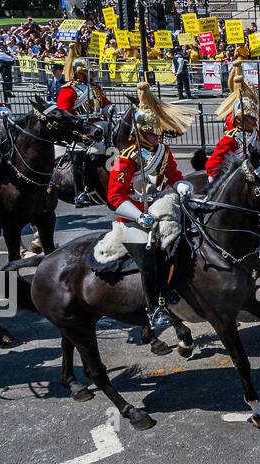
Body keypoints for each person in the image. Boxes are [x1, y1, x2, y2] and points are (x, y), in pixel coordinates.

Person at [107, 82, 193, 336]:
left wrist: (182, 185)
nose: (158, 137)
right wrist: (138, 215)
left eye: (159, 133)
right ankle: (154, 309)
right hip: (132, 216)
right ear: (141, 133)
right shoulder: (127, 158)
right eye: (154, 133)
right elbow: (115, 197)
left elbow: (175, 175)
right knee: (148, 255)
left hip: (159, 207)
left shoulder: (163, 152)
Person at [55, 46, 112, 207]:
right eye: (88, 72)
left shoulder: (96, 88)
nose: (91, 74)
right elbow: (64, 114)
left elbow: (105, 104)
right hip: (80, 130)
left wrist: (110, 109)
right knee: (79, 155)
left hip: (100, 126)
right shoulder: (69, 90)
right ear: (78, 72)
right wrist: (77, 127)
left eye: (92, 72)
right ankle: (80, 191)